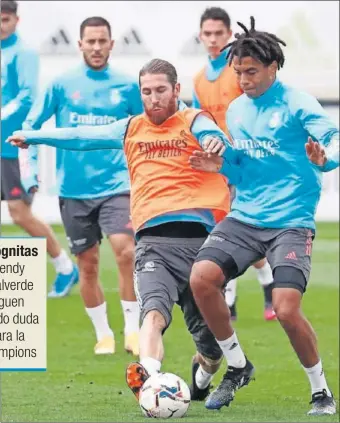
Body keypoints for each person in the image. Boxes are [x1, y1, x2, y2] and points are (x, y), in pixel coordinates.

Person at [8, 58, 255, 408]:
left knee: (209, 348)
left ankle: (204, 373)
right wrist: (32, 135)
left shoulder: (193, 120)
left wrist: (214, 141)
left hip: (201, 245)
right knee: (152, 314)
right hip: (153, 243)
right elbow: (80, 136)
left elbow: (210, 133)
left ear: (176, 90)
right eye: (146, 92)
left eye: (160, 90)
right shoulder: (131, 128)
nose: (153, 98)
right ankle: (149, 378)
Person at [188, 17, 338, 415]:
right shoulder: (236, 110)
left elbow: (333, 137)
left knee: (286, 308)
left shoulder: (297, 102)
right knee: (201, 279)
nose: (244, 79)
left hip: (290, 220)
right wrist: (219, 165)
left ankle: (320, 390)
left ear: (272, 68)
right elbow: (242, 169)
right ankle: (237, 365)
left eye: (251, 71)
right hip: (246, 216)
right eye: (238, 72)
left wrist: (326, 159)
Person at [19, 16, 142, 356]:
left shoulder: (129, 86)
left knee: (126, 251)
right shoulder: (61, 84)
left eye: (103, 41)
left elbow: (147, 128)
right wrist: (28, 173)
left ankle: (133, 330)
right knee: (87, 264)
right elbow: (31, 125)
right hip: (73, 190)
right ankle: (103, 334)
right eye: (91, 41)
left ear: (112, 44)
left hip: (118, 185)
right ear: (80, 44)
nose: (97, 47)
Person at [193, 7, 275, 321]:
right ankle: (236, 297)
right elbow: (201, 121)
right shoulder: (200, 78)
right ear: (200, 36)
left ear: (229, 35)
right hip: (218, 165)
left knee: (242, 231)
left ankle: (251, 292)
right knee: (224, 230)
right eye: (207, 34)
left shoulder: (240, 72)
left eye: (218, 33)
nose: (213, 39)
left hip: (245, 164)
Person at [0, 0, 78, 292]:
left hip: (13, 147)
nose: (1, 25)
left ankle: (65, 267)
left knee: (20, 214)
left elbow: (27, 96)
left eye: (5, 19)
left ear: (16, 21)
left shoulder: (24, 53)